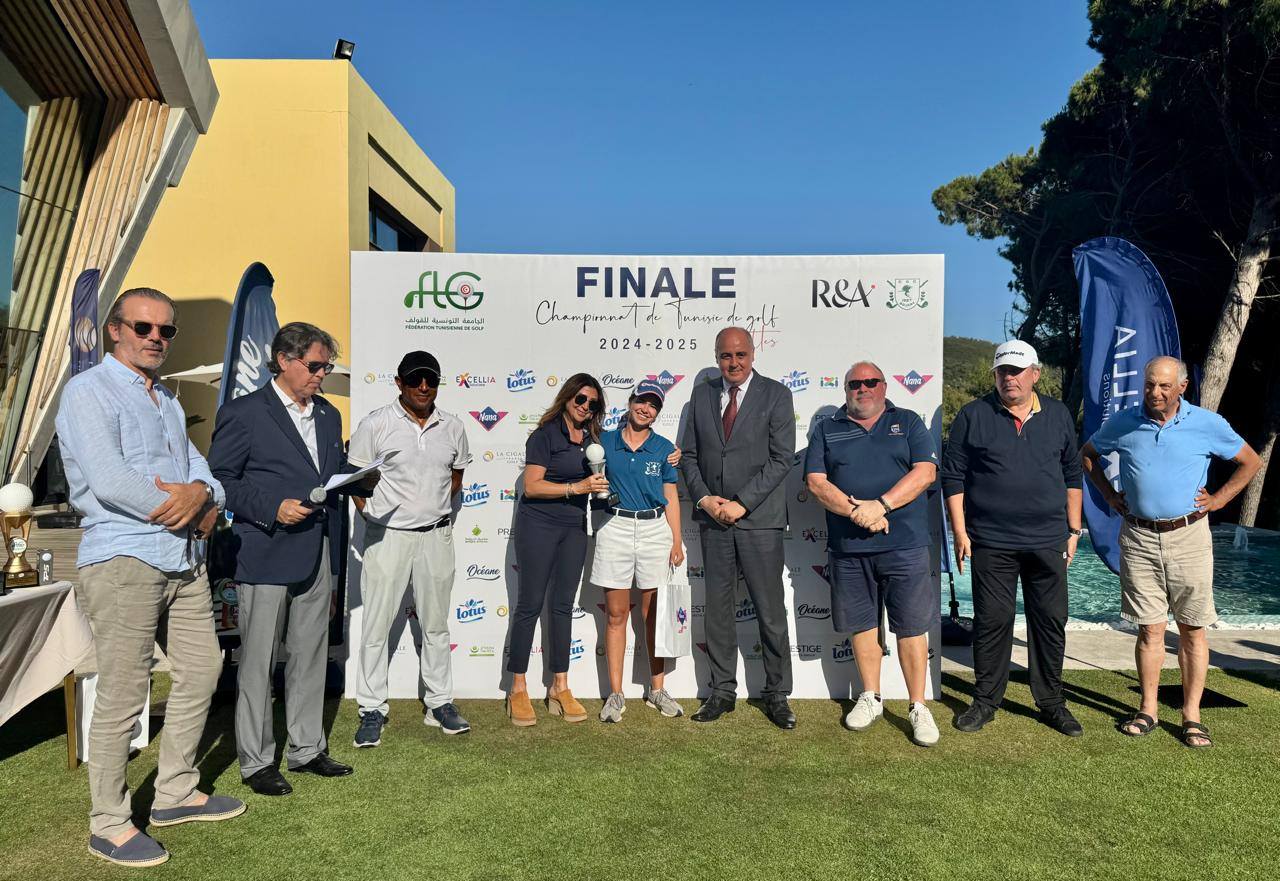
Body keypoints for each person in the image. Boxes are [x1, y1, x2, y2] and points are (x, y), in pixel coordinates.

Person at [56, 287, 244, 868]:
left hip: (183, 560)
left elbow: (202, 471)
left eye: (166, 330)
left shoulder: (165, 399)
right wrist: (192, 508)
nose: (156, 338)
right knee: (124, 689)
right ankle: (109, 823)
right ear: (115, 330)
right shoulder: (87, 391)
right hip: (124, 557)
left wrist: (204, 496)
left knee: (204, 668)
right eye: (144, 327)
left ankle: (175, 793)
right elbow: (110, 481)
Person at [209, 322, 377, 796]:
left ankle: (306, 748)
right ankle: (257, 761)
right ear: (284, 360)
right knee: (258, 662)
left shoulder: (327, 415)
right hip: (264, 550)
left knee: (310, 656)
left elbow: (327, 473)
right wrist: (271, 507)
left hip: (316, 550)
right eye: (316, 365)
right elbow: (220, 480)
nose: (322, 374)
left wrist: (360, 476)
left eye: (327, 366)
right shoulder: (243, 413)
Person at [1082, 356, 1260, 748]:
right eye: (1149, 385)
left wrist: (1219, 499)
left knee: (1192, 630)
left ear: (1182, 387)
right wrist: (1109, 495)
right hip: (1139, 539)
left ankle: (1191, 715)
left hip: (1189, 538)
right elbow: (1088, 454)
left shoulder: (1207, 424)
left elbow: (1250, 461)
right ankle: (1148, 709)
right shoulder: (1124, 422)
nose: (1155, 393)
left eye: (1164, 386)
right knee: (1149, 629)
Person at [941, 340, 1085, 737]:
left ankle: (1051, 703)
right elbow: (953, 476)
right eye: (1003, 371)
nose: (1010, 378)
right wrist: (960, 531)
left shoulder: (1057, 414)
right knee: (992, 622)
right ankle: (986, 701)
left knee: (1050, 621)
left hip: (1048, 539)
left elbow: (1072, 473)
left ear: (1035, 374)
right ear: (995, 375)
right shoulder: (973, 415)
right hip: (991, 540)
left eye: (1017, 371)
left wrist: (1074, 529)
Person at [804, 362, 940, 746]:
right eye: (854, 384)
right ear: (845, 389)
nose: (862, 388)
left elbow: (925, 473)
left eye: (870, 382)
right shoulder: (827, 428)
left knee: (911, 626)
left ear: (883, 386)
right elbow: (815, 483)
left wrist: (881, 506)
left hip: (905, 545)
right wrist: (858, 513)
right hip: (849, 547)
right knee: (862, 624)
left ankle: (917, 705)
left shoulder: (908, 422)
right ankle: (871, 696)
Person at [348, 350, 473, 747]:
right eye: (416, 379)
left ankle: (440, 703)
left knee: (435, 624)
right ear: (399, 382)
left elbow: (456, 476)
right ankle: (371, 708)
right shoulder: (375, 424)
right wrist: (371, 514)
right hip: (388, 537)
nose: (423, 386)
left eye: (430, 380)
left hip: (436, 536)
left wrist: (430, 508)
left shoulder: (453, 427)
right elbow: (355, 479)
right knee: (376, 625)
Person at [680, 326, 797, 728]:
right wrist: (705, 499)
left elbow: (782, 459)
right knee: (717, 611)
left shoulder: (777, 394)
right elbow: (689, 456)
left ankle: (777, 694)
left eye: (740, 355)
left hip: (759, 520)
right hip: (713, 520)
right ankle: (722, 692)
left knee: (769, 611)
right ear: (717, 357)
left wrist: (741, 503)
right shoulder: (700, 396)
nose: (733, 363)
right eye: (726, 355)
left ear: (752, 354)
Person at [504, 374, 609, 726]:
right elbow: (532, 486)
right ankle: (518, 688)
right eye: (580, 399)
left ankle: (559, 686)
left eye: (592, 403)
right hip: (539, 526)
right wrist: (576, 487)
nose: (585, 407)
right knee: (529, 605)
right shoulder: (544, 436)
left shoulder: (594, 440)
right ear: (567, 397)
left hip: (574, 528)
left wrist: (673, 454)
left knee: (563, 606)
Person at [593, 379, 685, 722]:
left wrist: (676, 539)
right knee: (616, 614)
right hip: (614, 527)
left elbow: (670, 495)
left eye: (653, 405)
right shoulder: (604, 442)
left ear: (658, 413)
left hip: (654, 529)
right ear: (630, 403)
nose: (646, 409)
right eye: (642, 402)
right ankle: (615, 694)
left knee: (653, 616)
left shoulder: (665, 448)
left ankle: (656, 690)